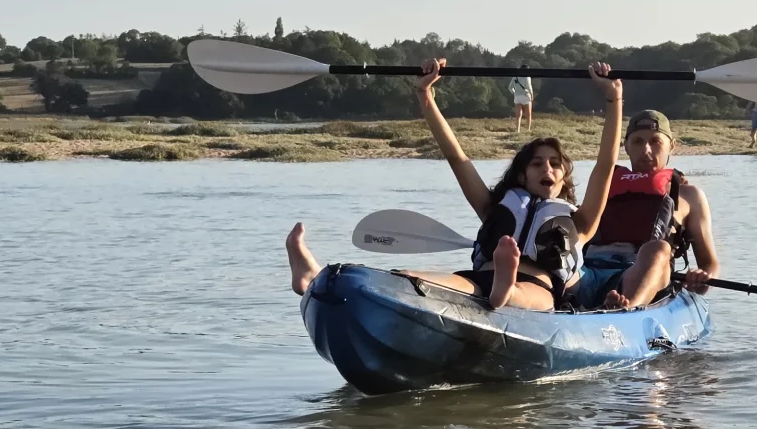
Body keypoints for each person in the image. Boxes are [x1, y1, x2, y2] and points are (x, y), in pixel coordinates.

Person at [287, 58, 624, 311]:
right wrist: (425, 95)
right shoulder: (495, 207)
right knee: (406, 279)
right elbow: (457, 157)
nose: (546, 168)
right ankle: (314, 279)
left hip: (538, 287)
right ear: (522, 176)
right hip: (479, 278)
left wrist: (613, 100)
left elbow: (605, 165)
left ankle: (505, 289)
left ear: (563, 178)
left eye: (554, 164)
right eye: (536, 163)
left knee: (520, 296)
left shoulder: (581, 222)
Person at [571, 109, 721, 310]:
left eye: (655, 141)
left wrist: (702, 278)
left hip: (639, 274)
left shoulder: (689, 195)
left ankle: (625, 308)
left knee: (658, 249)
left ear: (672, 145)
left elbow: (709, 264)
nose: (646, 150)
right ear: (626, 147)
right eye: (638, 142)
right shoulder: (604, 186)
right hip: (587, 271)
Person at [508, 65, 534, 135]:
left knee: (518, 114)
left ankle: (518, 130)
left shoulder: (515, 77)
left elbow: (510, 87)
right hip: (526, 95)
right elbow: (529, 87)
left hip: (517, 96)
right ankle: (528, 129)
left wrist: (514, 93)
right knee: (528, 114)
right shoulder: (527, 77)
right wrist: (532, 95)